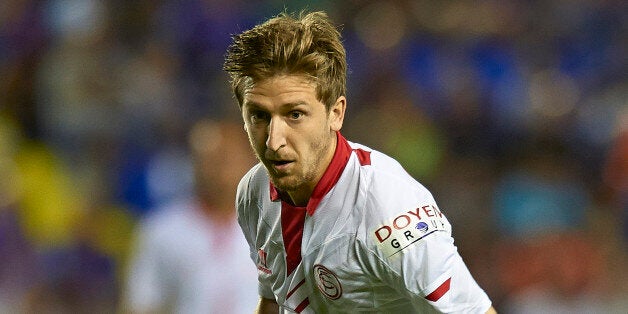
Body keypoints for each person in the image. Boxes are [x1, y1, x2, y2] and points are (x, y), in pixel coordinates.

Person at [224, 11, 497, 313]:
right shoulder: (254, 191)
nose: (274, 141)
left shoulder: (386, 209)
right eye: (259, 116)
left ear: (336, 113)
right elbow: (274, 299)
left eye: (295, 114)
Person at [123, 119, 259, 314]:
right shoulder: (162, 229)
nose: (215, 170)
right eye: (205, 159)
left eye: (225, 159)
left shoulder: (280, 227)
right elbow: (142, 303)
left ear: (251, 161)